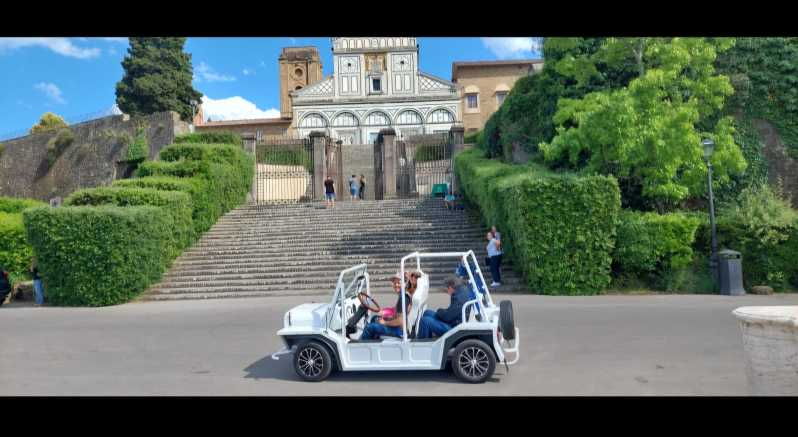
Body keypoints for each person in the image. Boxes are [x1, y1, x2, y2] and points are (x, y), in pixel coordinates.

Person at [360, 272, 413, 340]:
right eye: (394, 283)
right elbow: (399, 314)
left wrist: (385, 322)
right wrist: (388, 317)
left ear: (405, 284)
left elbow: (400, 321)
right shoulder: (405, 294)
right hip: (401, 327)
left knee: (369, 327)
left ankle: (363, 347)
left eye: (399, 283)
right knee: (375, 318)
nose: (396, 285)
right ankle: (374, 341)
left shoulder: (403, 298)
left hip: (400, 332)